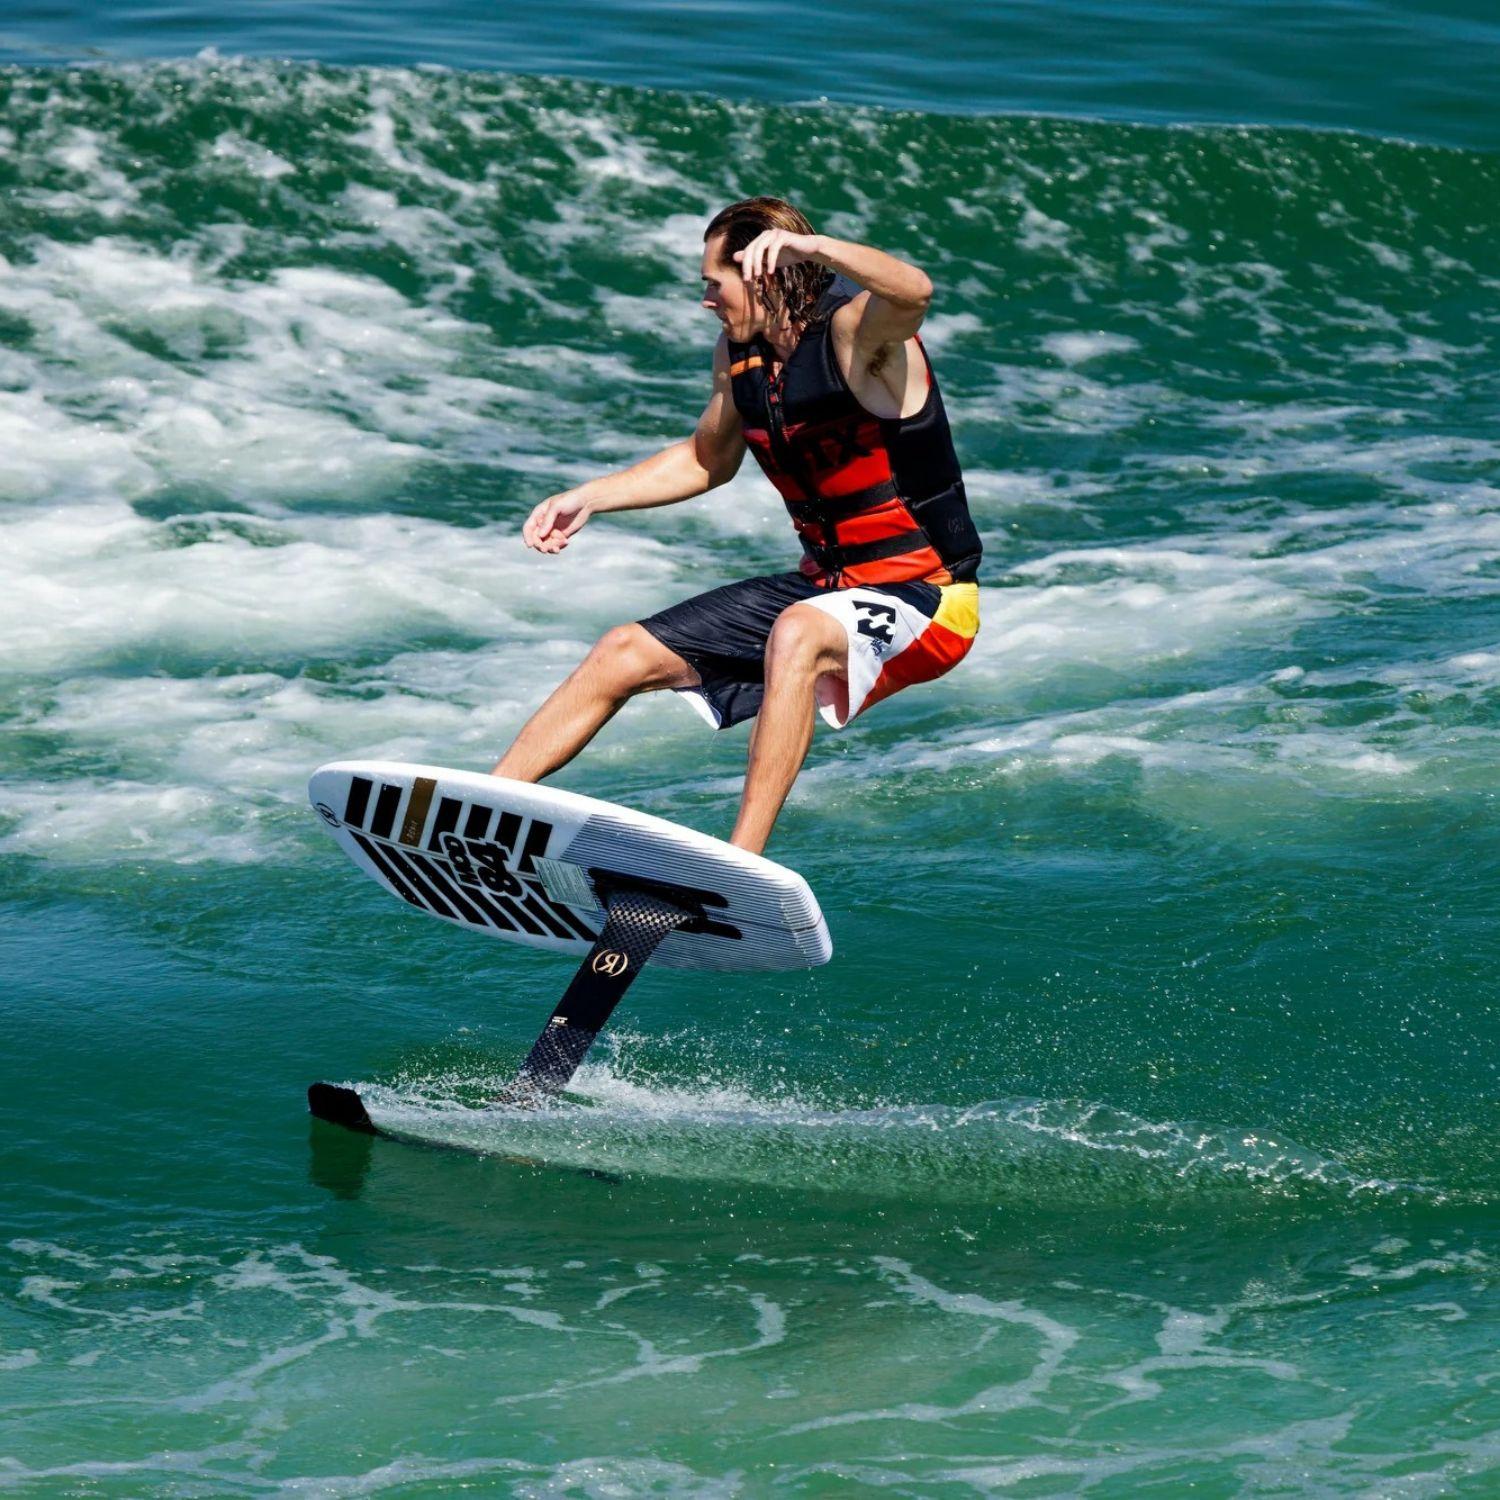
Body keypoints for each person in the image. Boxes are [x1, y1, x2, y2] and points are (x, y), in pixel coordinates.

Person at [492, 196, 982, 854]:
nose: (705, 302)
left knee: (798, 631)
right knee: (623, 651)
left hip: (927, 598)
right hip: (827, 588)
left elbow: (914, 291)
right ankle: (482, 808)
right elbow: (707, 460)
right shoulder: (741, 354)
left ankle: (740, 861)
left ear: (763, 275)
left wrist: (816, 248)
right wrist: (591, 497)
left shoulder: (856, 335)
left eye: (713, 284)